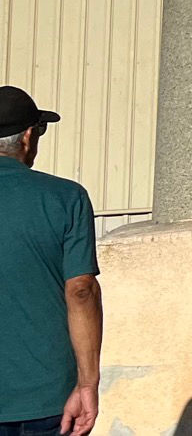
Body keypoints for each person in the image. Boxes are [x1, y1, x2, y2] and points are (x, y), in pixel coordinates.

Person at [0, 86, 100, 436]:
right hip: (44, 396)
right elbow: (81, 290)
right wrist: (87, 384)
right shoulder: (66, 198)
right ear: (28, 136)